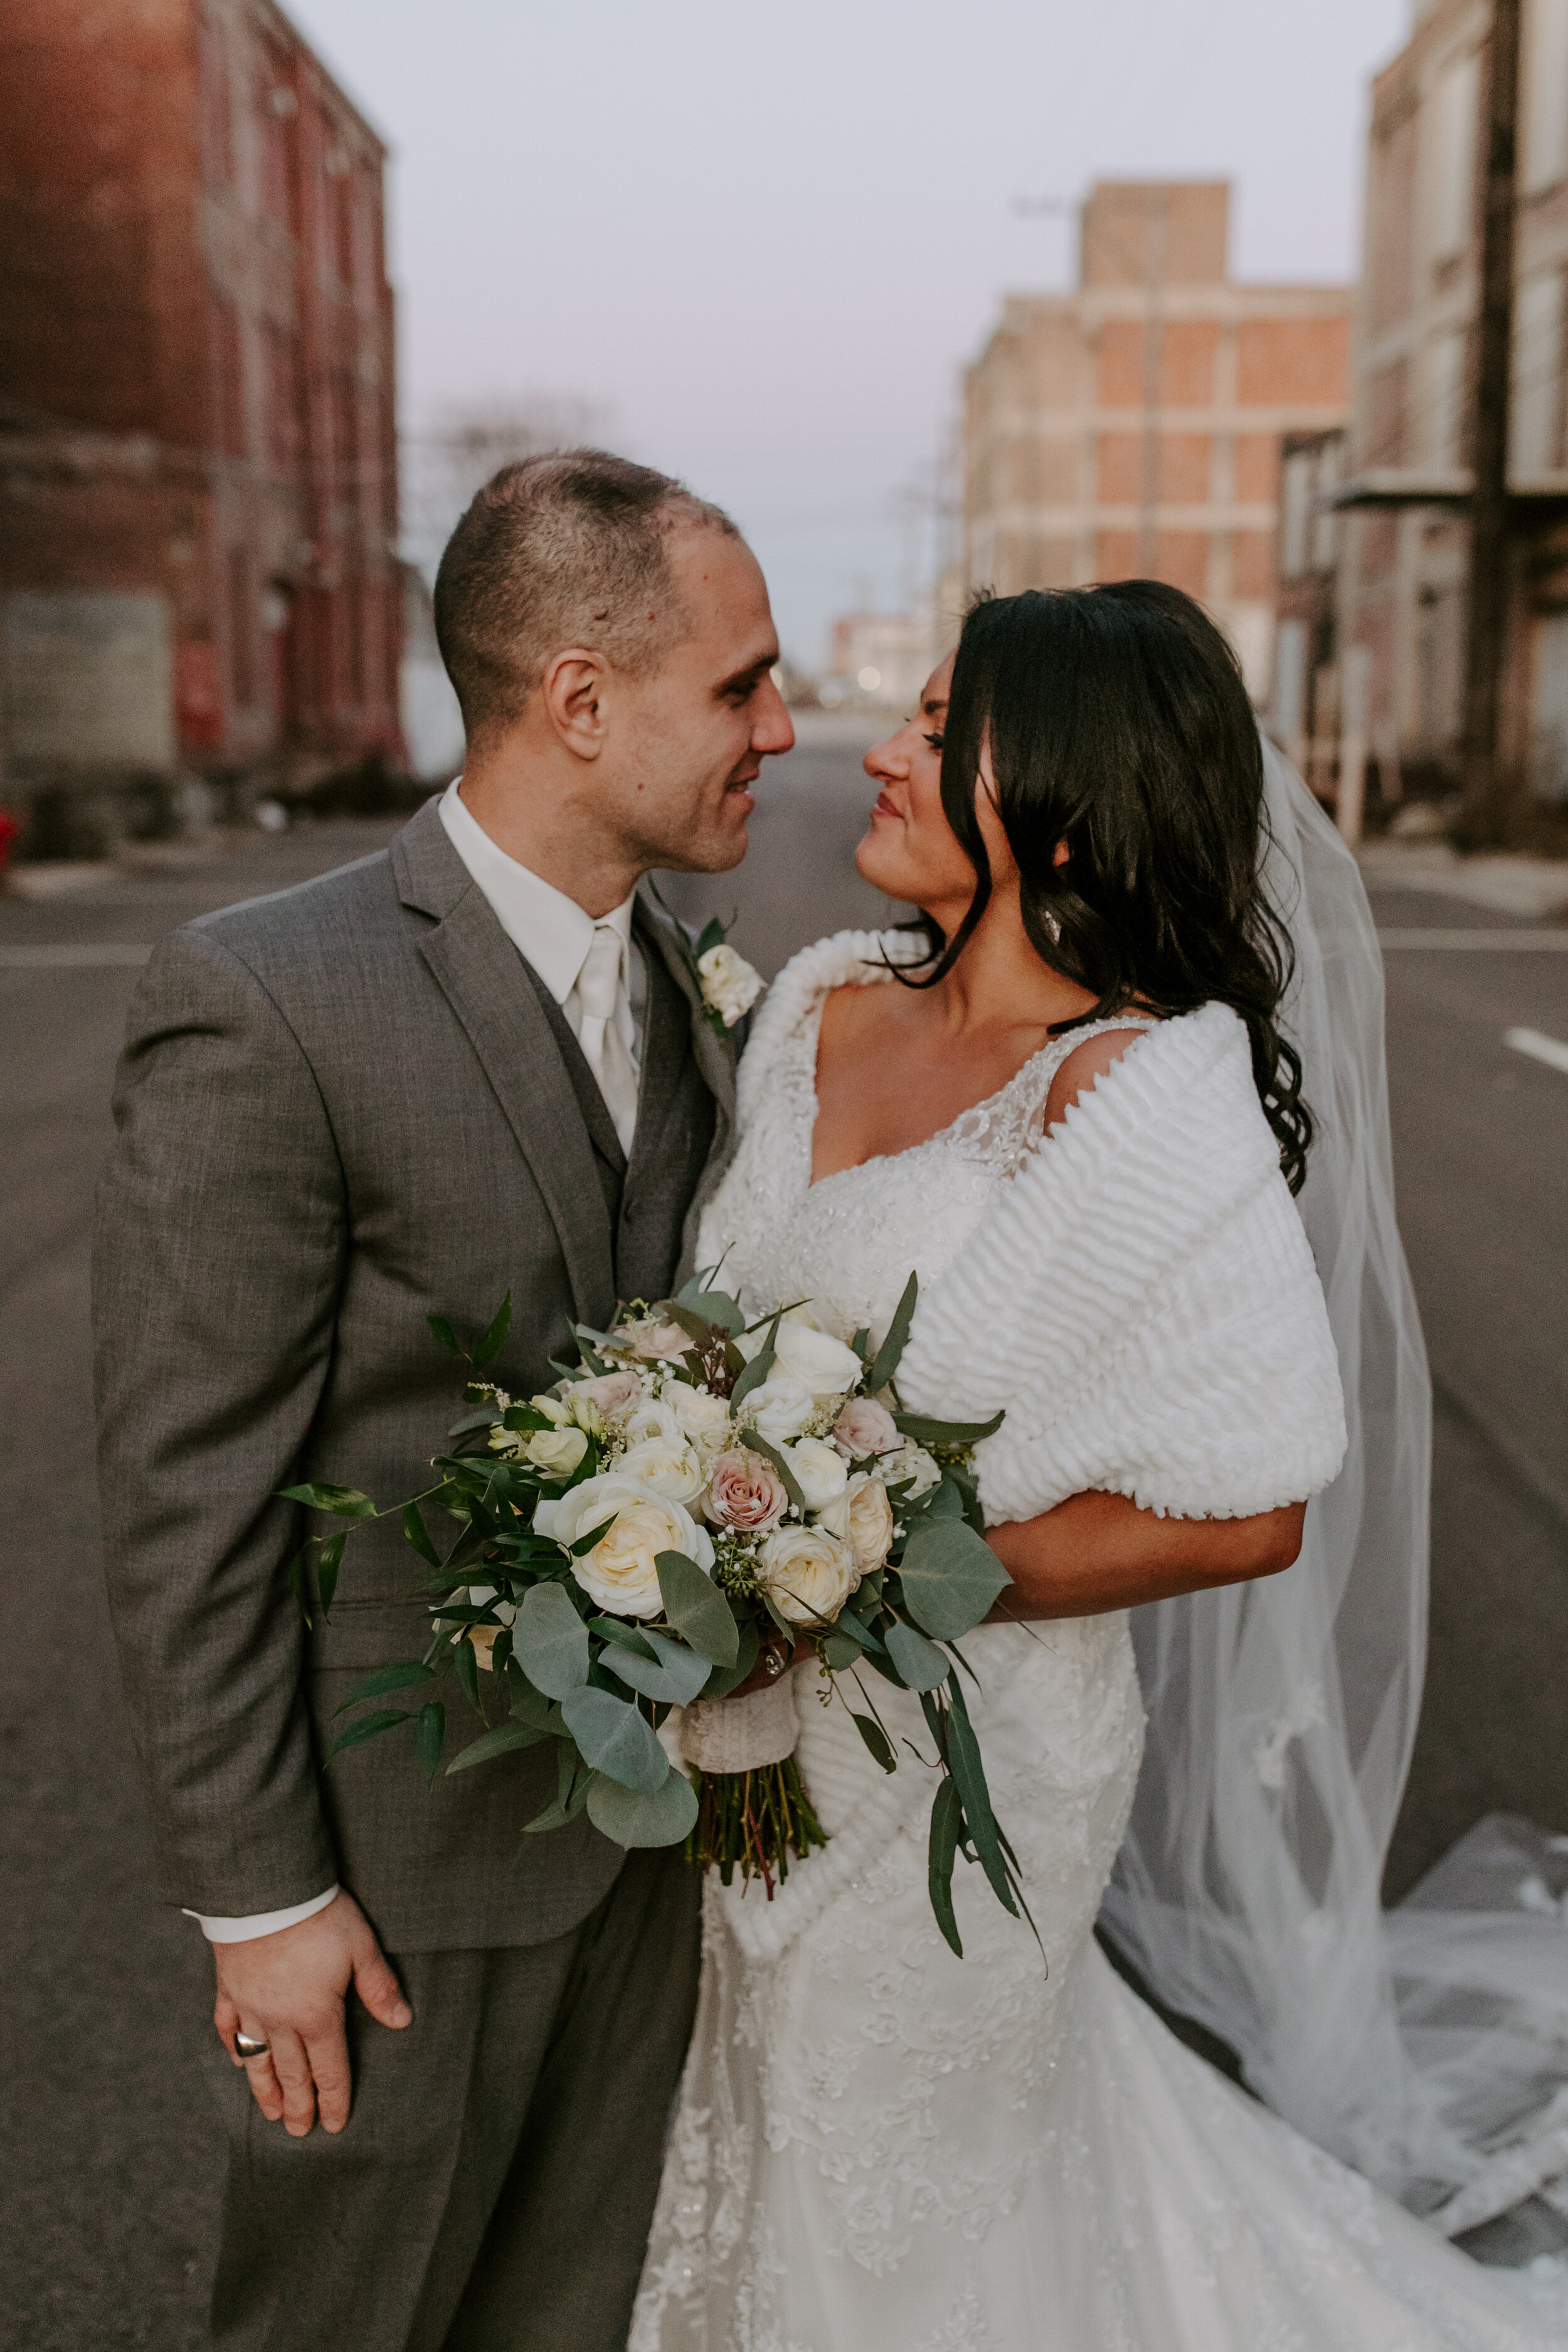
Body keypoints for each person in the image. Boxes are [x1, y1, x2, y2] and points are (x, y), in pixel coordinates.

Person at [632, 582, 1566, 2347]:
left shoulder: (1139, 1096)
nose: (881, 757)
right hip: (737, 1748)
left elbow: (1249, 1502)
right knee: (748, 2134)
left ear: (1054, 791)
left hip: (973, 1776)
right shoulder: (816, 1010)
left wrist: (851, 1573)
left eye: (929, 724)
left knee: (897, 2194)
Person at [92, 451, 793, 2352]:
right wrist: (262, 1902)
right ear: (580, 699)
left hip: (643, 1868)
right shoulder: (264, 997)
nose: (780, 727)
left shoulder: (699, 988)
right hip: (391, 1885)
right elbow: (189, 1490)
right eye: (738, 685)